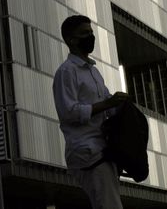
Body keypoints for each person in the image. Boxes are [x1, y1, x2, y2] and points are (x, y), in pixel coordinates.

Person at [52, 14, 128, 209]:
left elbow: (107, 104)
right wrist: (108, 103)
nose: (90, 36)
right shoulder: (66, 72)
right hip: (86, 150)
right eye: (85, 33)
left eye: (91, 32)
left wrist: (119, 104)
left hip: (101, 148)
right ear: (71, 40)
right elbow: (69, 112)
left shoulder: (94, 71)